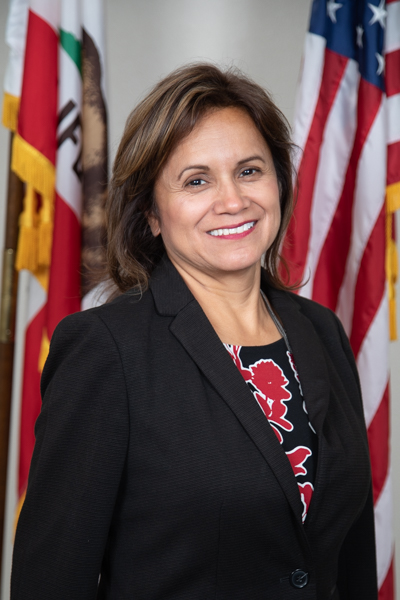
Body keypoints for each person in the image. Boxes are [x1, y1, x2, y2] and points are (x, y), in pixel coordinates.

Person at [11, 64, 377, 600]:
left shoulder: (321, 331)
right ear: (152, 215)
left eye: (250, 171)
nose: (233, 201)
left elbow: (353, 556)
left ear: (278, 181)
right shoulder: (106, 351)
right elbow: (50, 582)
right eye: (197, 180)